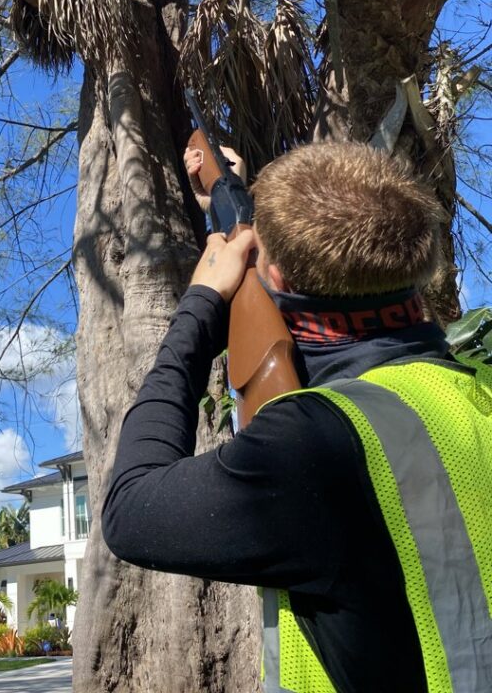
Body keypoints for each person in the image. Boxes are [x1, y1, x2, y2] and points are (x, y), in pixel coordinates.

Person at [102, 141, 492, 693]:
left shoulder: (315, 445)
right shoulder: (477, 392)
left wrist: (200, 304)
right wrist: (226, 194)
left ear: (274, 277)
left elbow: (130, 509)